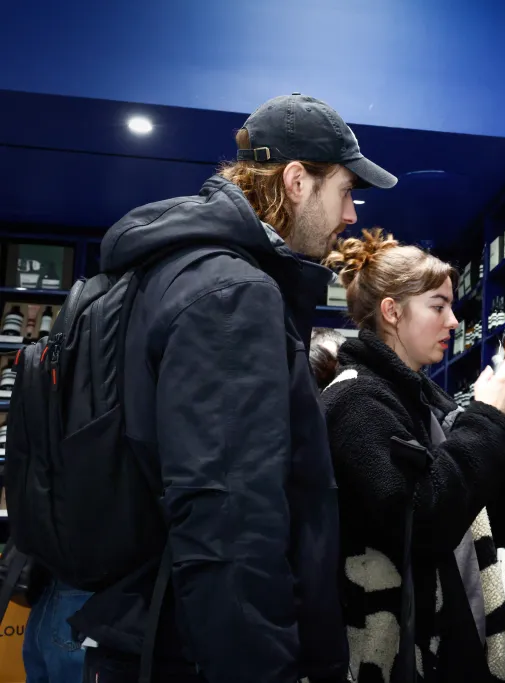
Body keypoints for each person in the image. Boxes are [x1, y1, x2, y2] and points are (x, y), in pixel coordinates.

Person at [67, 94, 397, 683]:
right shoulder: (230, 294)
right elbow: (230, 524)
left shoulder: (180, 270)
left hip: (155, 633)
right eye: (346, 190)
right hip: (191, 653)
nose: (351, 215)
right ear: (297, 180)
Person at [312, 229, 505, 683]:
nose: (454, 322)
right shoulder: (357, 402)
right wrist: (485, 421)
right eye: (438, 306)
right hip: (400, 656)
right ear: (392, 312)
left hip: (445, 640)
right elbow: (421, 521)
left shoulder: (423, 403)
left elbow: (474, 522)